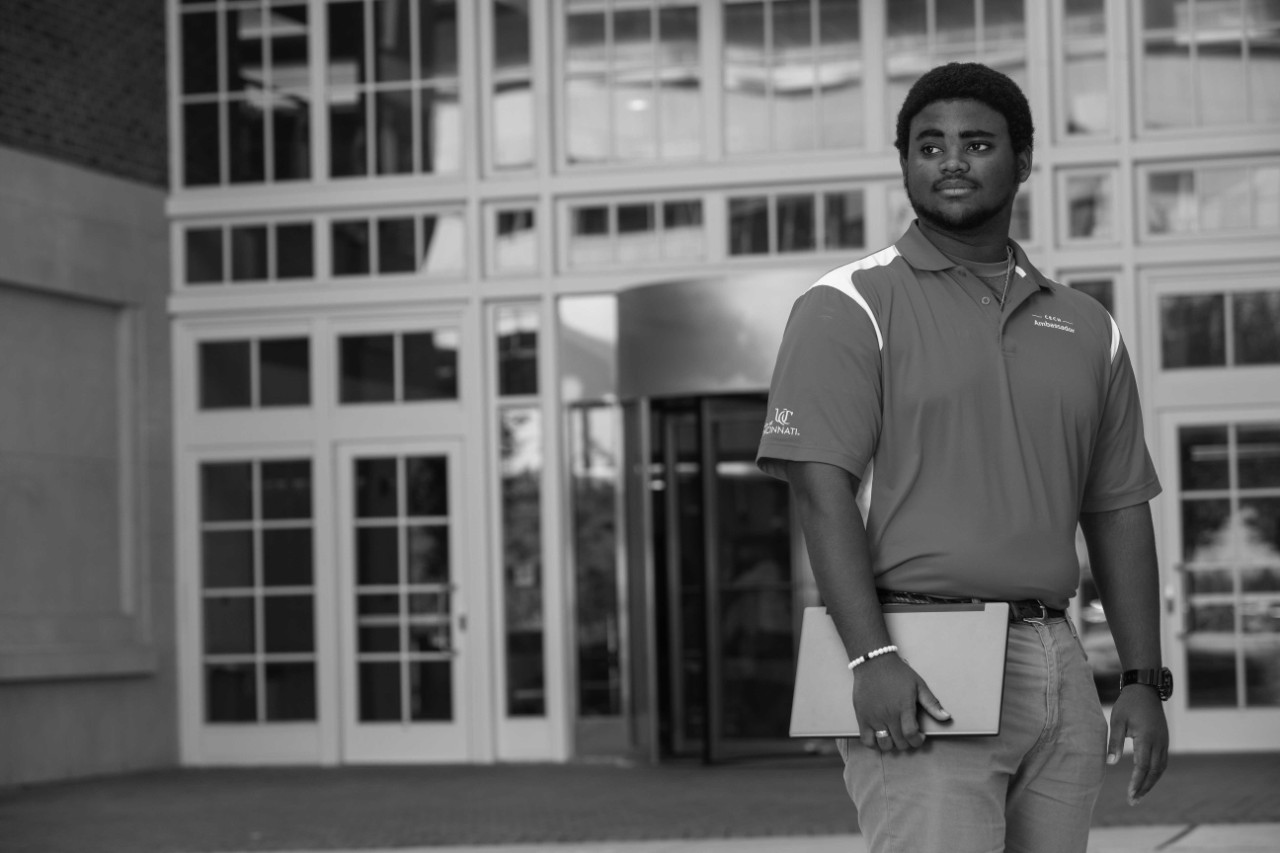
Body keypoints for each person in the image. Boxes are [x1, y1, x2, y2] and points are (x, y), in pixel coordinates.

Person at [756, 62, 1170, 853]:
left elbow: (1117, 507)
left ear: (1024, 159)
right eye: (928, 145)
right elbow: (821, 492)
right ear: (904, 162)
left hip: (1057, 654)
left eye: (977, 144)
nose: (950, 161)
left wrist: (1144, 679)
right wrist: (871, 654)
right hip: (919, 649)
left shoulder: (1089, 326)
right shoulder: (848, 304)